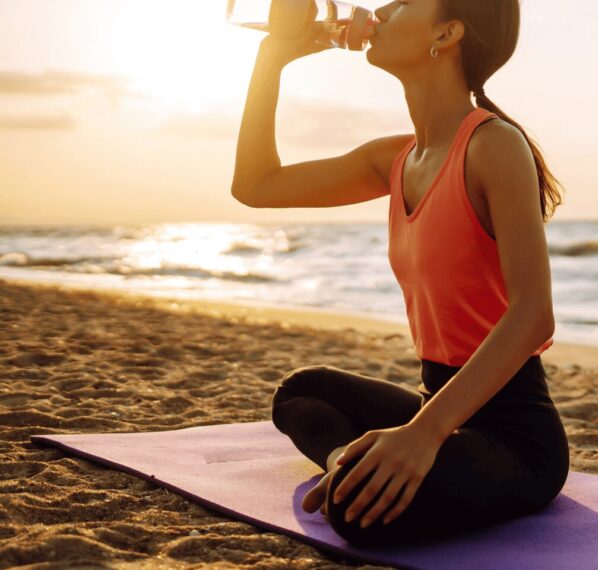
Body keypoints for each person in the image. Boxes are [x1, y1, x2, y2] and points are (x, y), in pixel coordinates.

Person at [231, 0, 568, 548]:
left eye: (404, 1)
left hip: (513, 437)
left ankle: (356, 471)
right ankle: (348, 461)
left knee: (354, 513)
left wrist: (424, 434)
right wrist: (272, 60)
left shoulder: (493, 145)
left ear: (448, 32)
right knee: (301, 392)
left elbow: (533, 315)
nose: (379, 10)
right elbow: (255, 185)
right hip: (434, 404)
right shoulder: (397, 159)